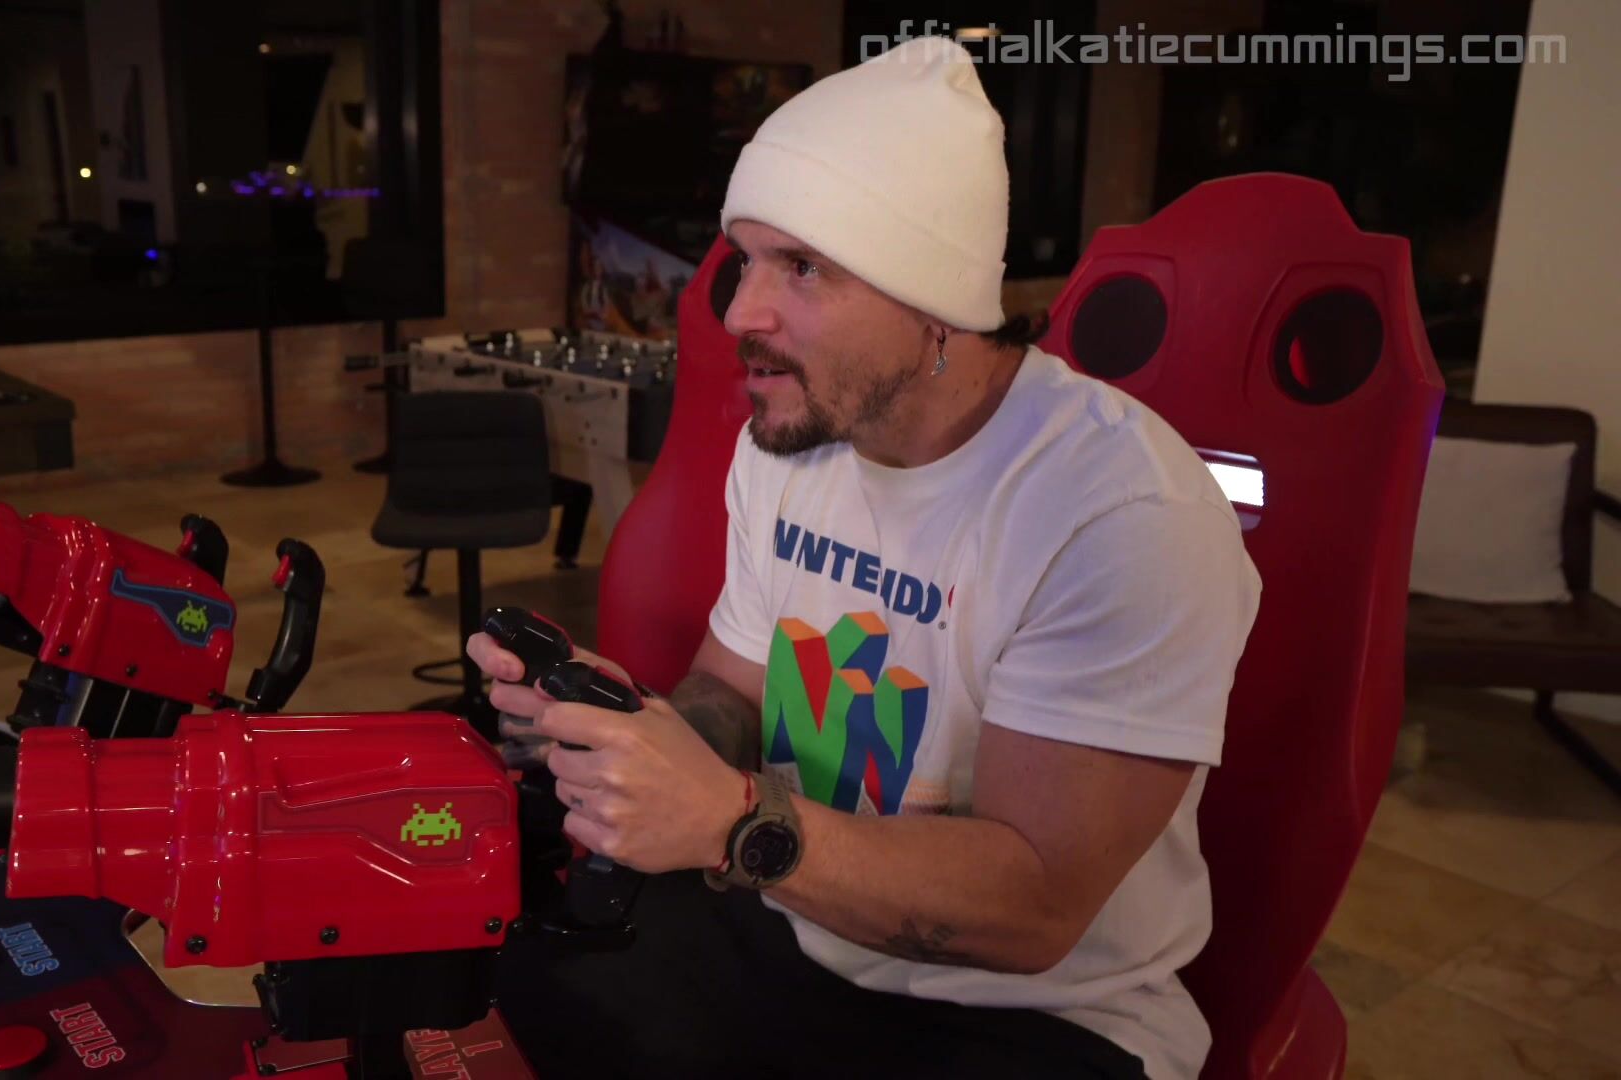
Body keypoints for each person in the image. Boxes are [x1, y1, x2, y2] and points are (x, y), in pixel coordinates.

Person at [474, 36, 1261, 1080]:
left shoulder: (1119, 512)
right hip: (788, 928)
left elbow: (1033, 906)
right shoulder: (789, 447)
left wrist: (728, 821)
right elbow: (732, 692)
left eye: (802, 267)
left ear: (934, 300)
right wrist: (634, 734)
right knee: (491, 997)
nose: (739, 311)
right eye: (746, 258)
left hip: (1033, 1017)